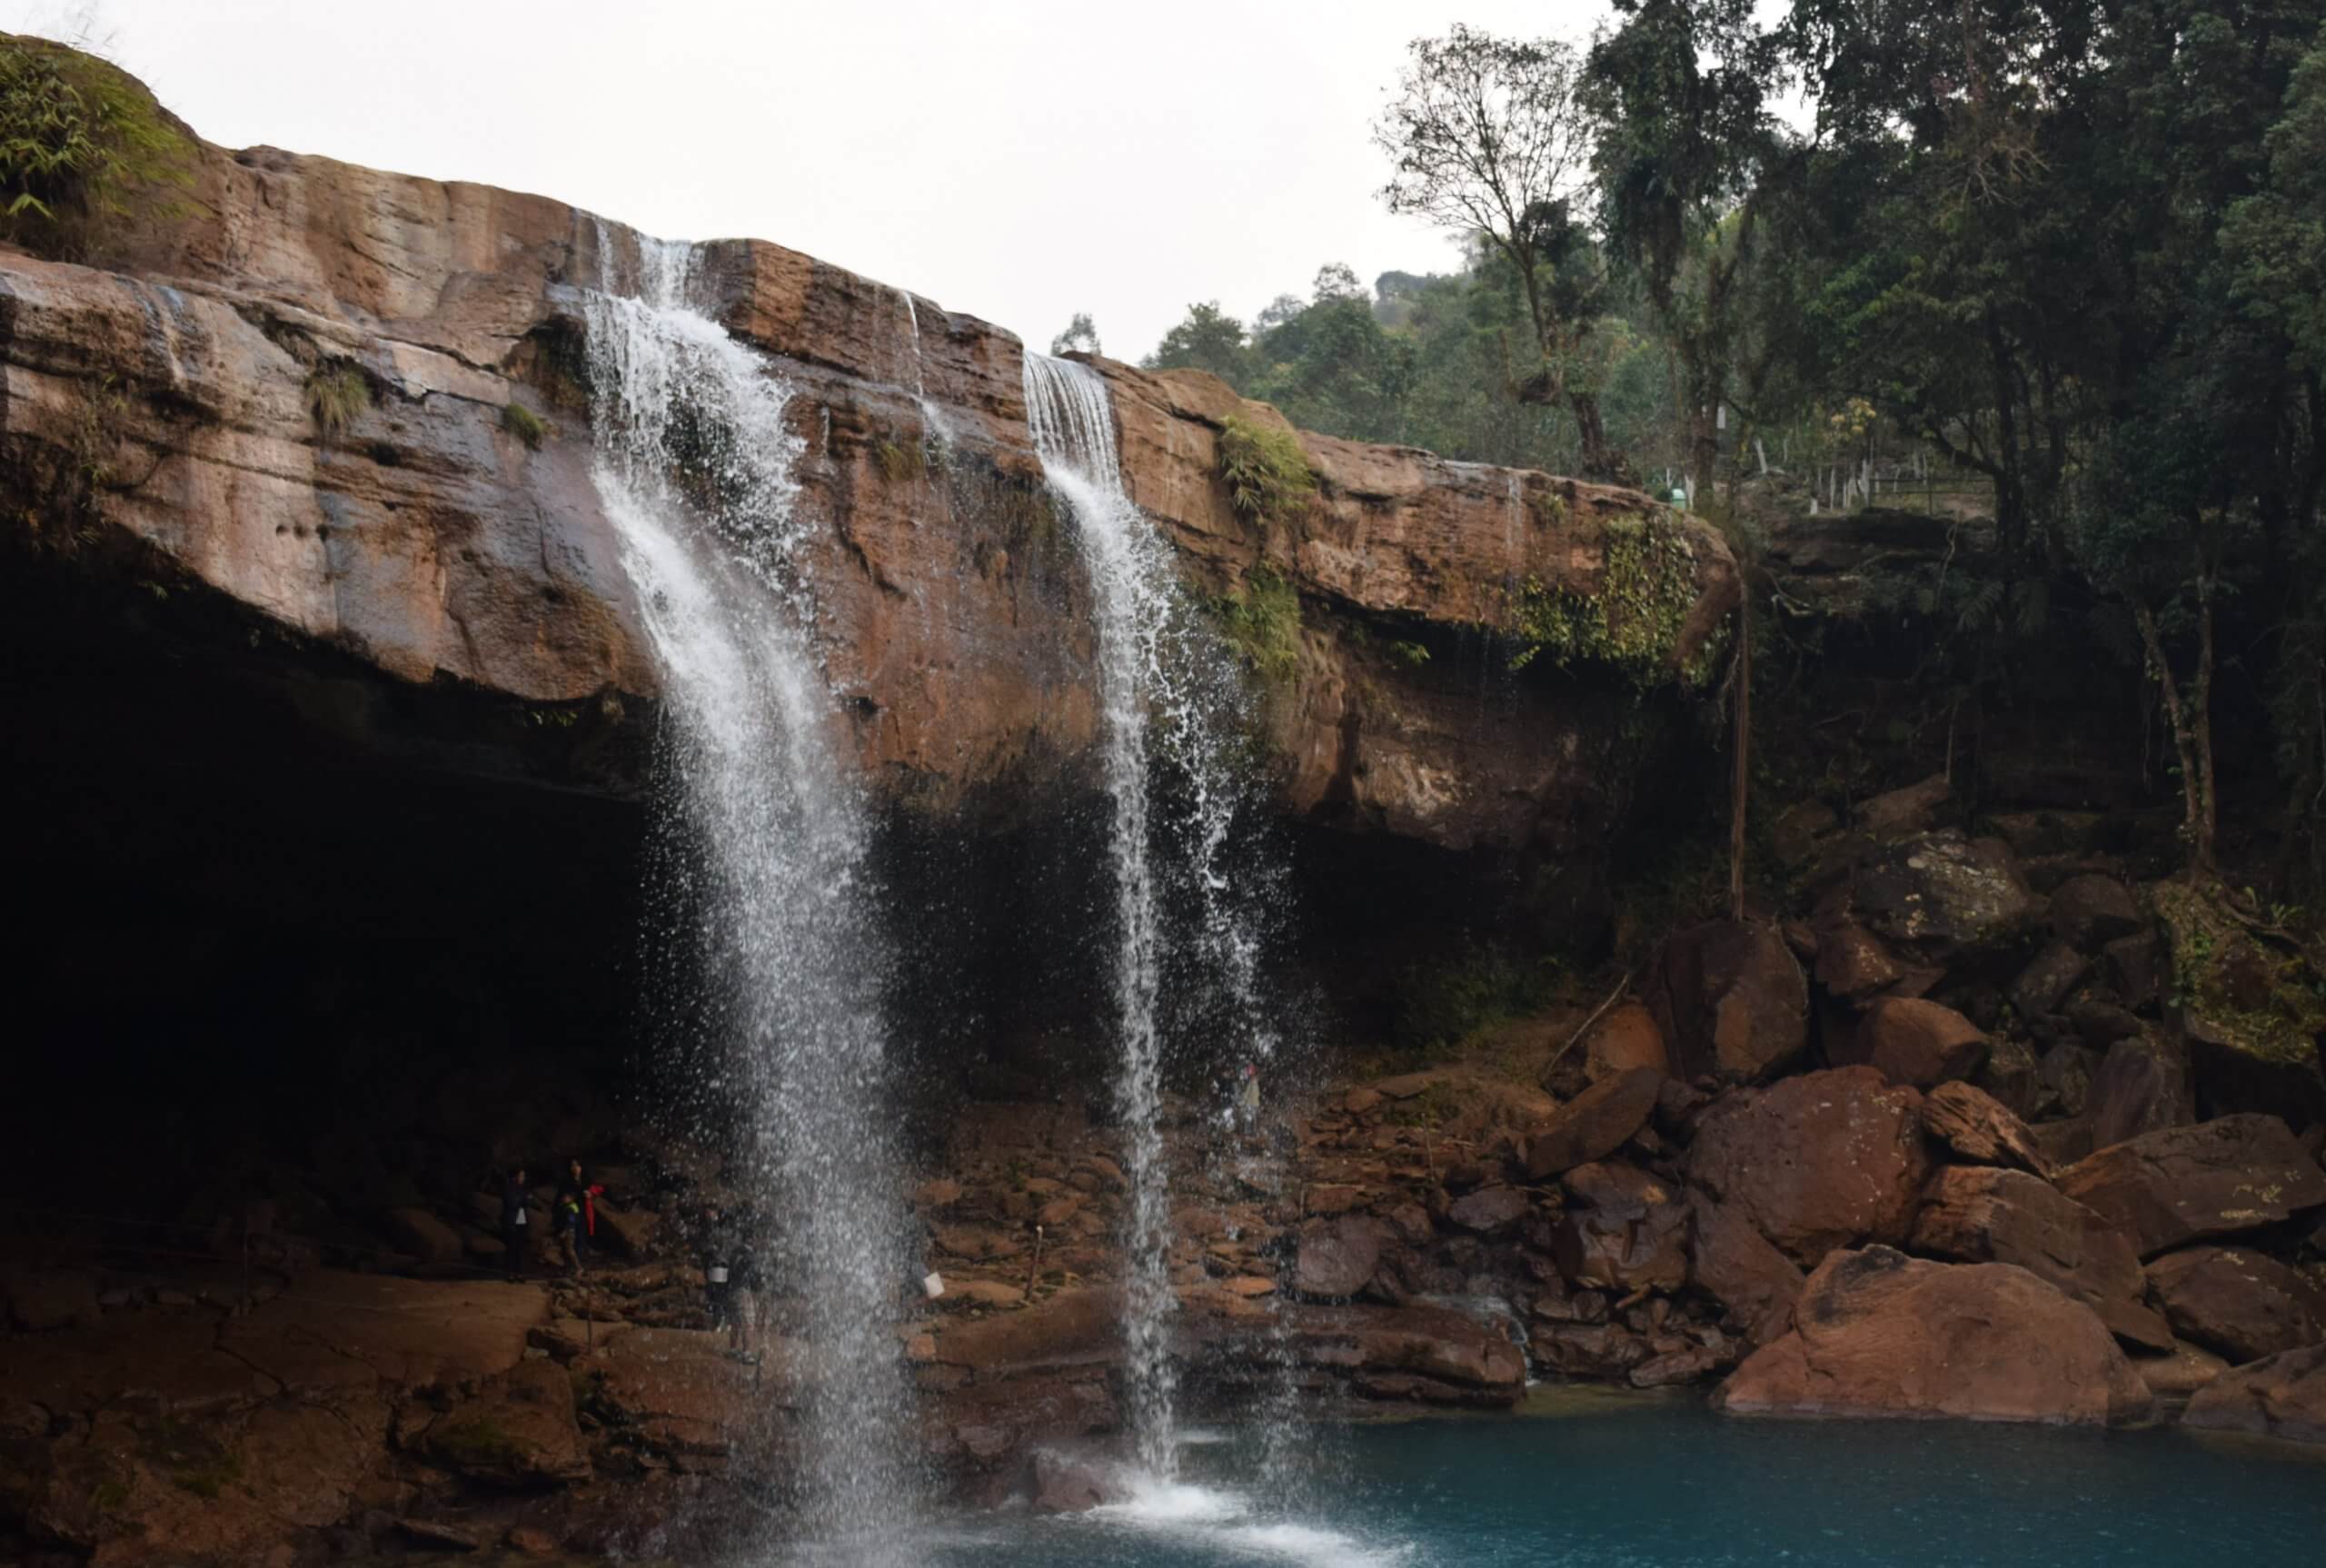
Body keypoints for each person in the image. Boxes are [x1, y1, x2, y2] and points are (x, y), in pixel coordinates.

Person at [555, 1159, 603, 1279]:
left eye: (577, 1165)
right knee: (570, 1240)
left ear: (581, 1167)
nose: (575, 1168)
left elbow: (597, 1190)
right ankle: (572, 1267)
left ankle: (579, 1266)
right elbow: (561, 1197)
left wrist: (591, 1195)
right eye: (573, 1166)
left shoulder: (586, 1179)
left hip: (582, 1212)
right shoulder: (567, 1181)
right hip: (571, 1212)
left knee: (581, 1238)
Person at [499, 1166, 531, 1284]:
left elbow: (528, 1201)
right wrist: (523, 1200)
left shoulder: (523, 1189)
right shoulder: (509, 1189)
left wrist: (523, 1200)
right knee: (511, 1248)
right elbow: (512, 1203)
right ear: (515, 1177)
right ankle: (510, 1273)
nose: (523, 1178)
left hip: (522, 1221)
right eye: (522, 1175)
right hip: (512, 1221)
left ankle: (519, 1272)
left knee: (520, 1248)